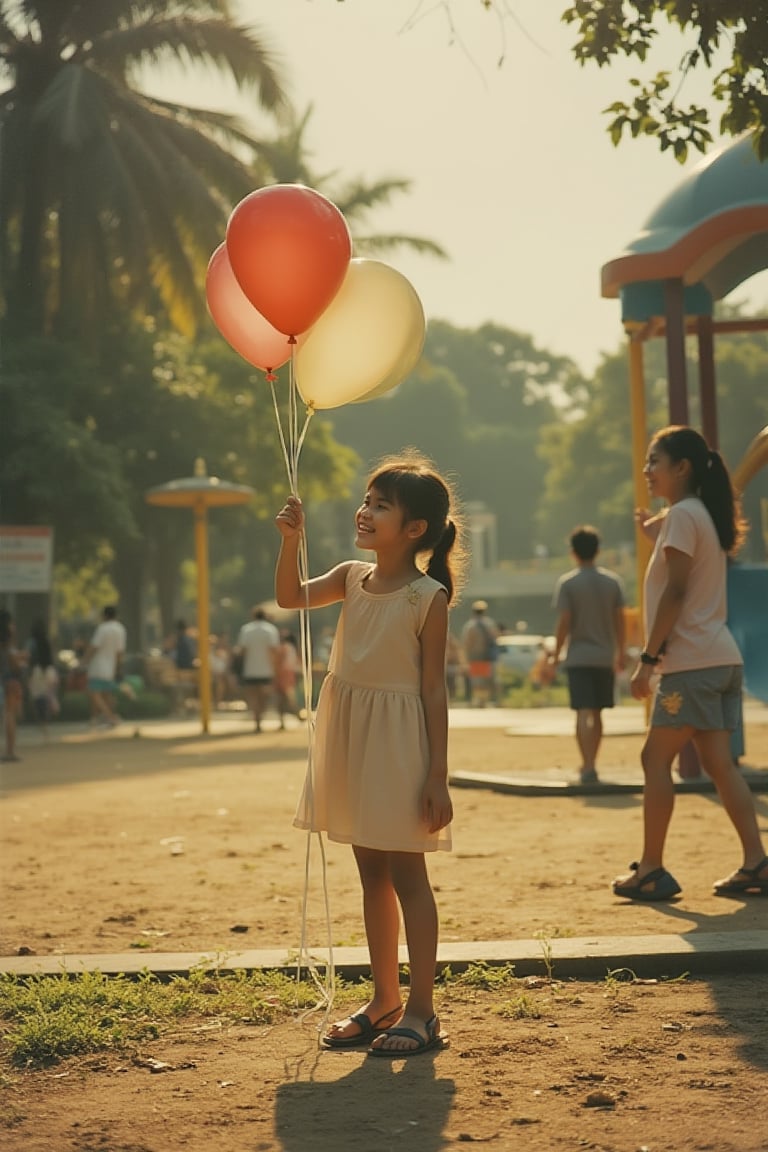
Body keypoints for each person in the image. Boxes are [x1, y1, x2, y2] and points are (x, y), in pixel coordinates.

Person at [275, 452, 465, 1056]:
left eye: (382, 506)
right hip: (352, 733)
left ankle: (423, 1010)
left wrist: (437, 776)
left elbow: (434, 689)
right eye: (368, 500)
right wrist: (290, 540)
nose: (366, 511)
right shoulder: (350, 576)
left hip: (399, 743)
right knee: (370, 871)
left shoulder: (426, 597)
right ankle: (384, 999)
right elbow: (288, 597)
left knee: (409, 872)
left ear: (415, 529)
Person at [613, 425, 768, 901]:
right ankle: (757, 863)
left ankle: (653, 869)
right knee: (720, 764)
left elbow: (676, 591)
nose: (646, 471)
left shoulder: (682, 516)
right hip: (721, 660)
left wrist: (648, 658)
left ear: (681, 468)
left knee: (653, 758)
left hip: (691, 664)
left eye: (654, 461)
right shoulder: (699, 514)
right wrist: (655, 529)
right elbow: (683, 547)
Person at [549, 526, 626, 784]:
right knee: (598, 712)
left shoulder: (568, 583)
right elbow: (620, 622)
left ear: (573, 552)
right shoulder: (613, 582)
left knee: (582, 711)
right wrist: (621, 652)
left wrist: (556, 654)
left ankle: (587, 766)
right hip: (604, 656)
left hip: (578, 657)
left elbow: (564, 623)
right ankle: (594, 762)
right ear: (598, 550)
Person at [234, 607, 279, 733]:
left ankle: (256, 719)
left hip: (251, 668)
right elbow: (274, 650)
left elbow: (242, 650)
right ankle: (260, 716)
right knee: (263, 696)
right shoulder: (270, 630)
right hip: (266, 669)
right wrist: (275, 667)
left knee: (253, 696)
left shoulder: (246, 630)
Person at [85, 605, 127, 728]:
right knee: (107, 694)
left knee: (94, 693)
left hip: (98, 665)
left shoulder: (102, 628)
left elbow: (94, 646)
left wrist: (84, 661)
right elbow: (120, 652)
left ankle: (110, 717)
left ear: (104, 616)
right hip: (111, 665)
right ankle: (96, 718)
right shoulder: (120, 629)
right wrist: (119, 667)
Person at [460, 600, 499, 706]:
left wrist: (464, 659)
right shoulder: (489, 624)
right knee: (487, 679)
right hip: (488, 656)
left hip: (476, 656)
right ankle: (486, 700)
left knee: (478, 680)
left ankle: (480, 700)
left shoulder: (470, 626)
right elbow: (495, 638)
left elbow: (467, 643)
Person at [26, 618, 60, 739]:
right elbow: (52, 658)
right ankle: (48, 717)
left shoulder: (31, 642)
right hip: (49, 671)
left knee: (38, 698)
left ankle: (43, 724)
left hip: (37, 672)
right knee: (48, 695)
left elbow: (29, 659)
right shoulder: (47, 641)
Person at [0, 608, 25, 762]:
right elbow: (15, 666)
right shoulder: (8, 646)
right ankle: (10, 751)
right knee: (9, 715)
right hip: (8, 681)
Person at [275, 630, 301, 729]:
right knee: (289, 698)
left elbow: (278, 662)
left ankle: (287, 718)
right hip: (290, 674)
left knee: (282, 699)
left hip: (282, 674)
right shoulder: (293, 649)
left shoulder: (282, 648)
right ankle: (297, 715)